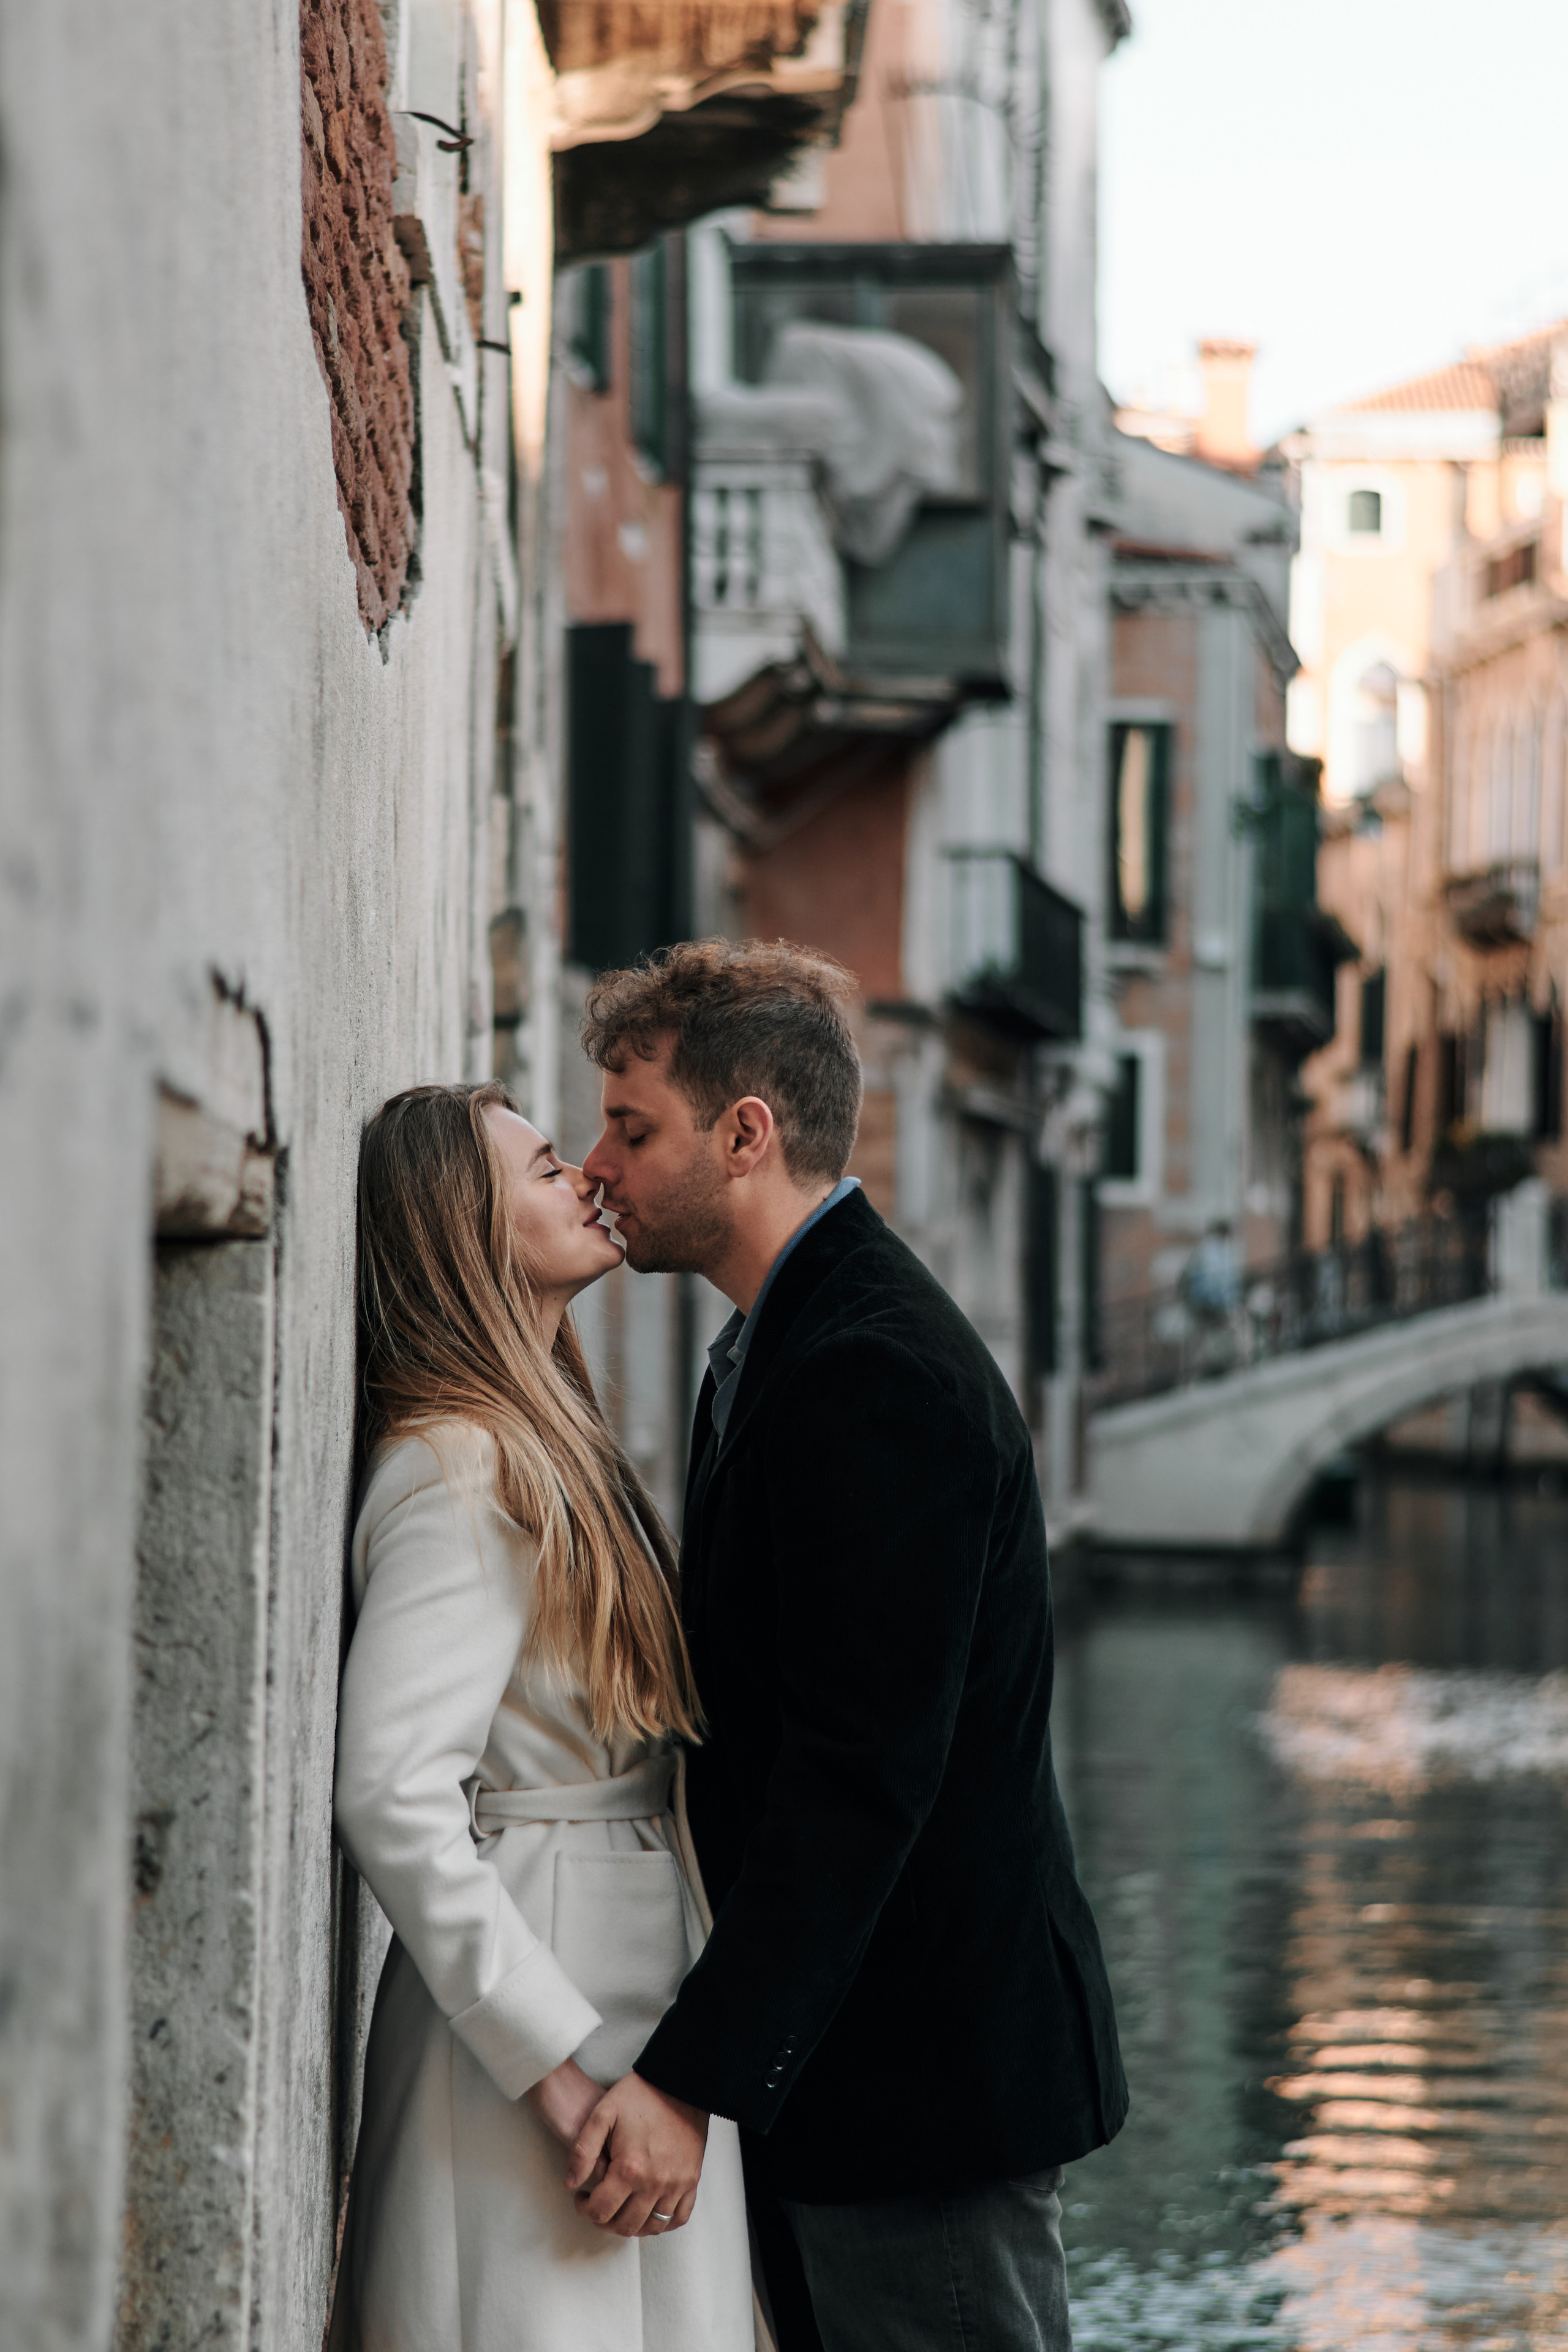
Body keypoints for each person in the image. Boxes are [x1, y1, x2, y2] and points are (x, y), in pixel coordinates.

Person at [578, 940, 1128, 2352]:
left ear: (745, 1133)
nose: (599, 1165)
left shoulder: (870, 1371)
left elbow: (857, 1777)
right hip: (851, 2068)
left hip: (921, 2088)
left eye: (632, 1128)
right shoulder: (785, 1345)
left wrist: (691, 2078)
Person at [329, 1082, 758, 2352]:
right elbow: (392, 1792)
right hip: (532, 2032)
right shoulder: (462, 1462)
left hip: (633, 1981)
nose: (584, 1176)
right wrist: (559, 2073)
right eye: (540, 1170)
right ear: (462, 1229)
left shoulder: (551, 1439)